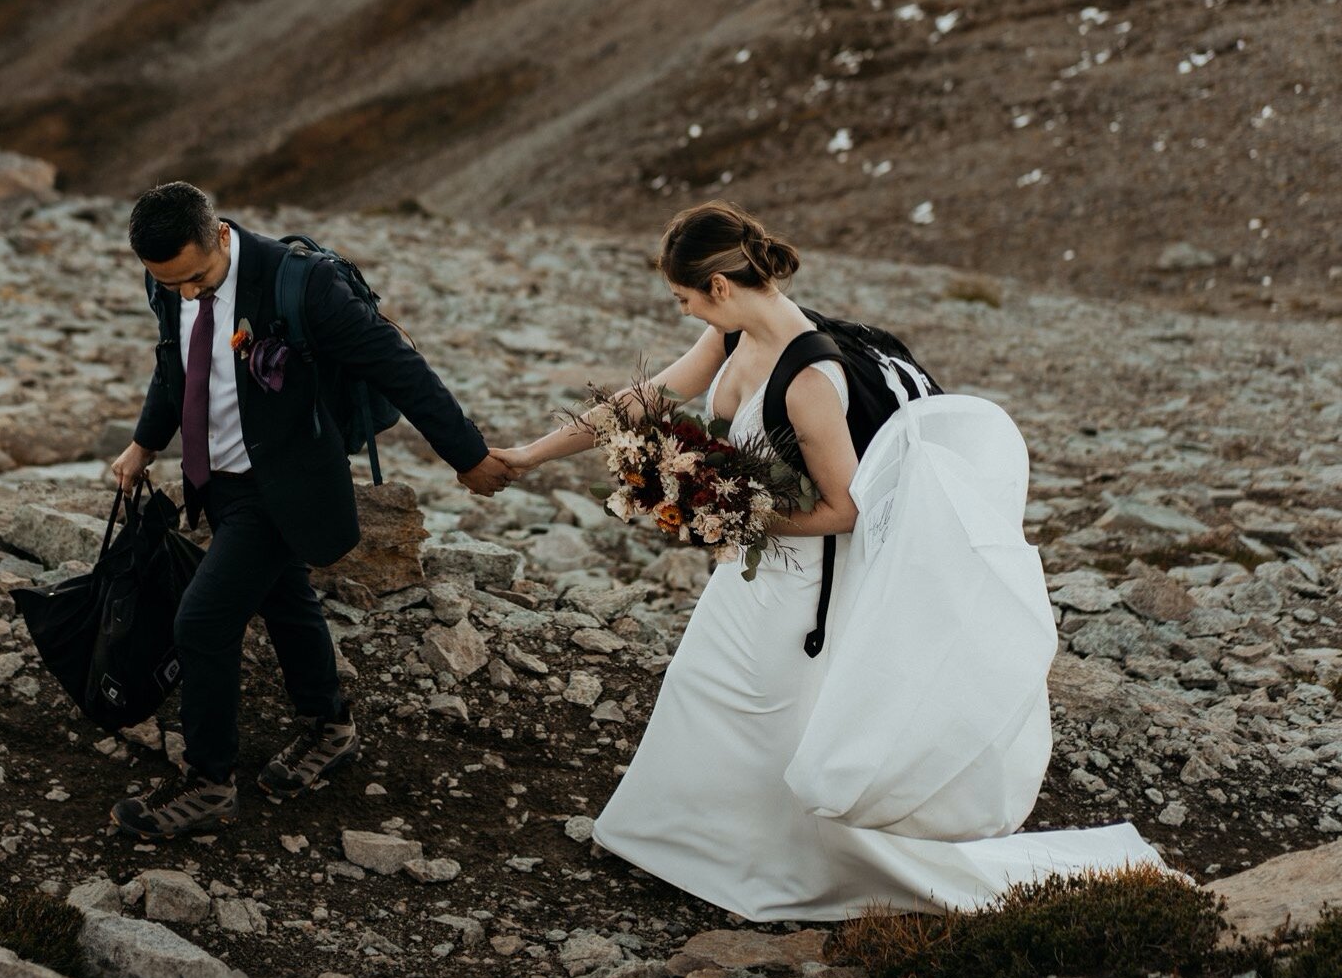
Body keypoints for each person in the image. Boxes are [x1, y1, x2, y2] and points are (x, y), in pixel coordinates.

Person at [491, 201, 1163, 920]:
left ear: (719, 287)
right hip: (751, 569)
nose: (681, 308)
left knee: (758, 710)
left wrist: (730, 512)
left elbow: (845, 508)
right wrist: (529, 455)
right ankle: (674, 844)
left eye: (682, 296)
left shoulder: (811, 377)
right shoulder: (729, 336)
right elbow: (641, 402)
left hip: (798, 582)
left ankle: (767, 865)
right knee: (704, 689)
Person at [108, 182, 515, 839]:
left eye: (195, 278)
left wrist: (467, 454)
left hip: (288, 482)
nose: (185, 293)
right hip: (222, 482)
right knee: (284, 595)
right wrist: (143, 444)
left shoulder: (302, 284)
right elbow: (173, 366)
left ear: (220, 236)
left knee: (203, 621)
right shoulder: (170, 283)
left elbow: (399, 367)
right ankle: (329, 725)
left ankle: (208, 783)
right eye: (169, 283)